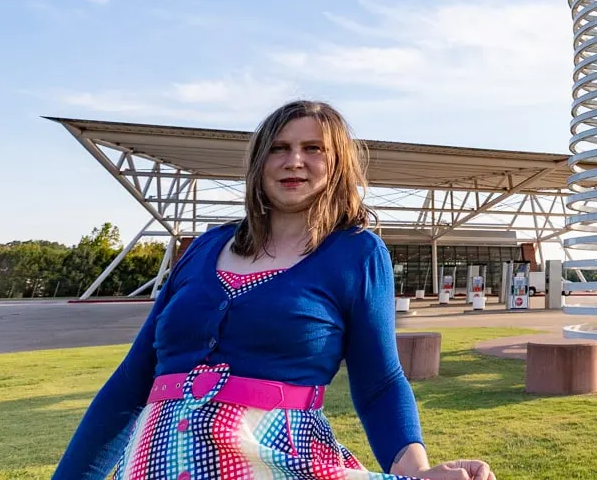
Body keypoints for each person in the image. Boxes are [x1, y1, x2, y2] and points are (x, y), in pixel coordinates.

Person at [55, 99, 495, 480]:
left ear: (337, 164)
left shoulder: (357, 253)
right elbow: (131, 381)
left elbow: (379, 382)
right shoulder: (205, 247)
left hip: (276, 461)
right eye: (279, 148)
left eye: (313, 149)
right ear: (259, 162)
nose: (294, 161)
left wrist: (416, 468)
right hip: (153, 460)